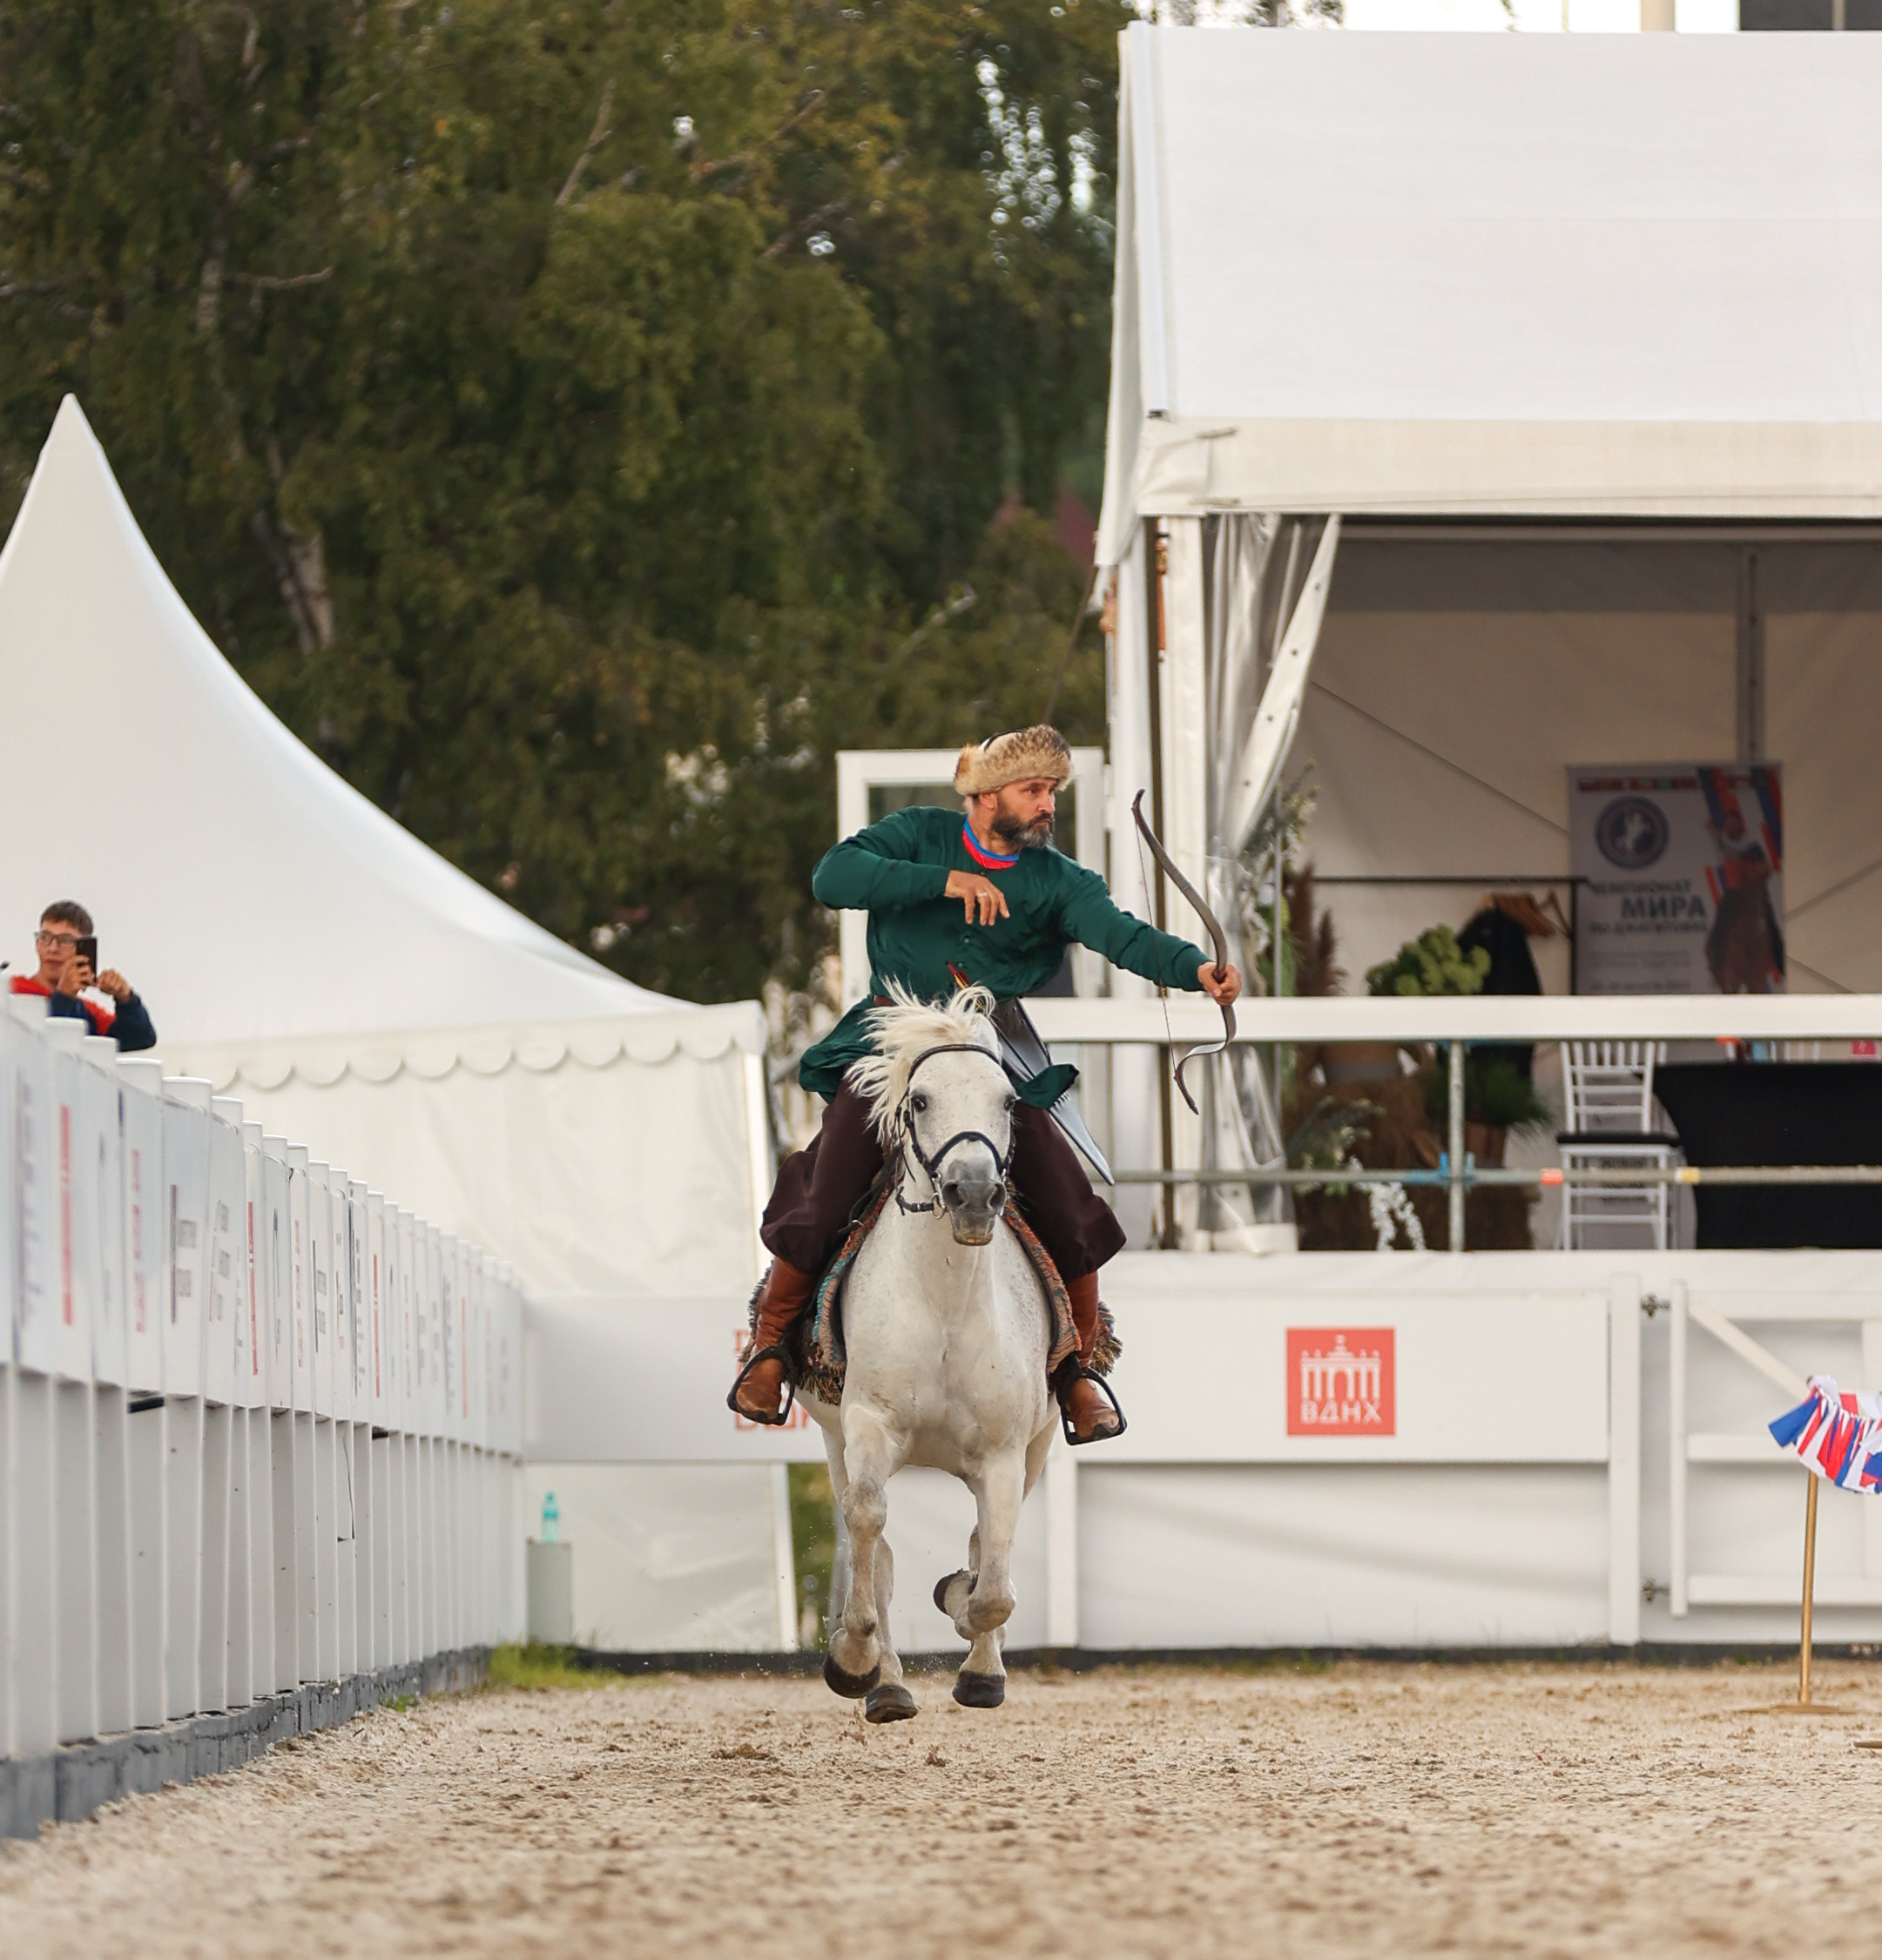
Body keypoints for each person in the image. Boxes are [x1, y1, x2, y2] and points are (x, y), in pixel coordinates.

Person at [734, 724, 1241, 1442]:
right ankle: (770, 1348)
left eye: (1053, 792)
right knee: (827, 1187)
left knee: (1067, 1196)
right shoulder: (916, 833)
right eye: (1033, 790)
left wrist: (1193, 968)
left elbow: (1121, 934)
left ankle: (1076, 1368)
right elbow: (832, 878)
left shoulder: (1058, 878)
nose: (1046, 805)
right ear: (983, 796)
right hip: (896, 1038)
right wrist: (943, 880)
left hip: (992, 1046)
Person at [10, 901, 157, 1050]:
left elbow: (140, 1038)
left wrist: (126, 1000)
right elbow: (33, 1047)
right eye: (45, 937)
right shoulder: (11, 992)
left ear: (84, 950)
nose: (53, 948)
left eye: (66, 940)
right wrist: (63, 998)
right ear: (37, 943)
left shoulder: (86, 1011)